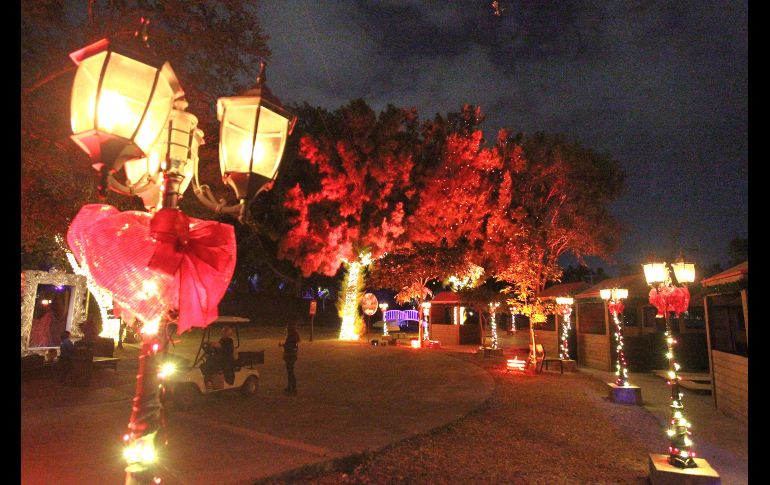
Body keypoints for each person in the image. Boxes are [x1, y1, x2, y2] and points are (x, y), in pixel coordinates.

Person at [279, 320, 301, 395]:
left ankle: (294, 388)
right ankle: (289, 386)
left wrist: (283, 345)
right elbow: (289, 344)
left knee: (291, 372)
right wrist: (283, 345)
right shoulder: (293, 335)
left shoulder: (292, 335)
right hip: (290, 355)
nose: (287, 328)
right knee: (289, 372)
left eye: (288, 327)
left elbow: (289, 345)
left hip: (291, 355)